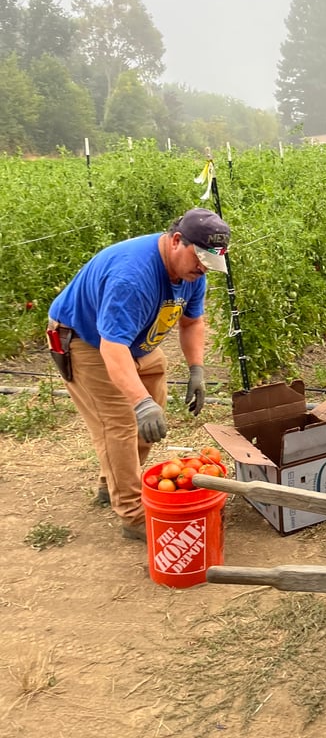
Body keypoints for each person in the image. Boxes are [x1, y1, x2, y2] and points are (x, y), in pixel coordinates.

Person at [47, 207, 231, 542]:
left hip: (137, 342)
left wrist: (197, 370)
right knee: (120, 422)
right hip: (87, 340)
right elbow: (112, 349)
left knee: (150, 422)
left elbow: (192, 322)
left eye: (210, 262)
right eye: (199, 258)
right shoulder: (133, 278)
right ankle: (132, 516)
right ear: (177, 241)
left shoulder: (193, 274)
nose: (203, 268)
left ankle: (112, 479)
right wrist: (140, 403)